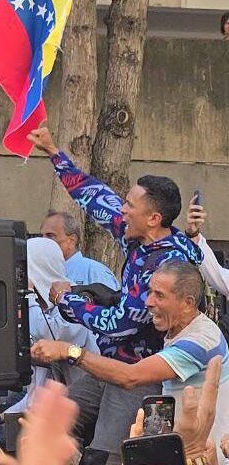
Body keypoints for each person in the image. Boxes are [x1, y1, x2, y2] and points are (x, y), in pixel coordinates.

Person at [29, 126, 203, 464]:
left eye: (129, 205)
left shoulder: (165, 264)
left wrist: (66, 300)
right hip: (110, 367)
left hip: (139, 376)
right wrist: (53, 152)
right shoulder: (137, 234)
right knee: (47, 424)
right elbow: (96, 197)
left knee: (104, 456)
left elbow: (121, 324)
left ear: (153, 218)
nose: (122, 209)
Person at [32, 260, 229, 464]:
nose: (148, 302)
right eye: (149, 292)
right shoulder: (179, 328)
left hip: (205, 456)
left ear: (187, 303)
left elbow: (130, 376)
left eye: (159, 295)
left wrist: (69, 351)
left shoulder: (199, 341)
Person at [6, 238, 99, 414]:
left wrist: (28, 296)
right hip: (59, 403)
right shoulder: (40, 310)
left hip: (85, 402)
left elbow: (49, 334)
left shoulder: (75, 301)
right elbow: (35, 394)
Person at [40, 211, 119, 289]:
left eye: (50, 236)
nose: (42, 241)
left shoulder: (95, 272)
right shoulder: (41, 272)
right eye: (41, 236)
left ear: (72, 241)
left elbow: (110, 297)